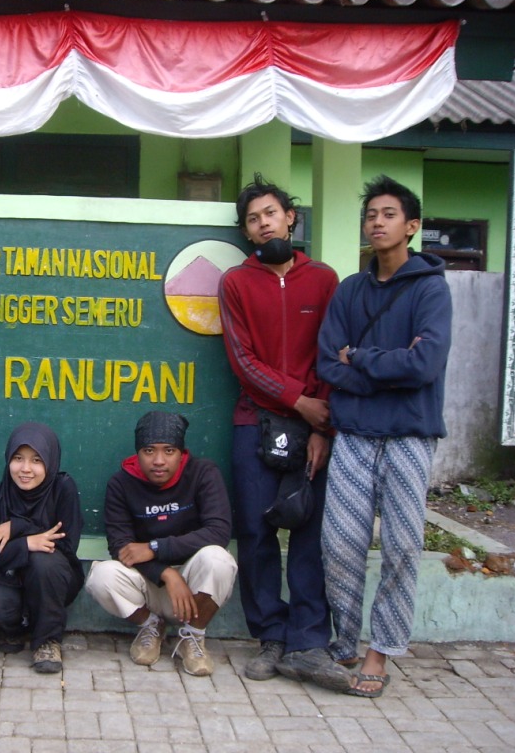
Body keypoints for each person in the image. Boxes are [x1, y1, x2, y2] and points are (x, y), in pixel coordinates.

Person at [318, 175, 452, 698]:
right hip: (354, 432)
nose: (377, 222)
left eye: (389, 214)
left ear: (411, 226)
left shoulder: (430, 288)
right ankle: (346, 640)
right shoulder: (350, 290)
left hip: (410, 434)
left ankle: (383, 649)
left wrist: (361, 358)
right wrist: (382, 371)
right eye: (371, 214)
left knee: (400, 547)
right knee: (339, 544)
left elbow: (424, 365)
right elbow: (329, 364)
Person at [218, 174, 350, 691]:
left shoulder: (324, 280)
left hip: (315, 425)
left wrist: (321, 425)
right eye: (253, 219)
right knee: (255, 532)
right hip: (254, 420)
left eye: (270, 213)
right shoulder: (235, 283)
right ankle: (270, 636)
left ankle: (308, 639)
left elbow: (332, 353)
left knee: (309, 533)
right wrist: (298, 400)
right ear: (247, 232)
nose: (264, 224)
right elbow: (243, 360)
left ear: (290, 217)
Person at [85, 411, 237, 676]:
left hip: (193, 584)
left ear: (181, 453)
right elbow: (120, 547)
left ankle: (193, 635)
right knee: (101, 576)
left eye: (169, 451)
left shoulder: (203, 473)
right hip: (149, 583)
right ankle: (151, 626)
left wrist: (155, 548)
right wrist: (166, 573)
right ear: (138, 453)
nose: (158, 460)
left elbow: (218, 532)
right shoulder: (121, 483)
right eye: (149, 451)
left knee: (219, 559)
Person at [0, 422, 84, 674]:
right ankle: (14, 630)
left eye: (37, 460)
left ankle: (47, 641)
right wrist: (25, 544)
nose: (26, 469)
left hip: (52, 581)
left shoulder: (62, 489)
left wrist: (17, 526)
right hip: (8, 581)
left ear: (50, 462)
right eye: (18, 458)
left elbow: (64, 545)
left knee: (43, 560)